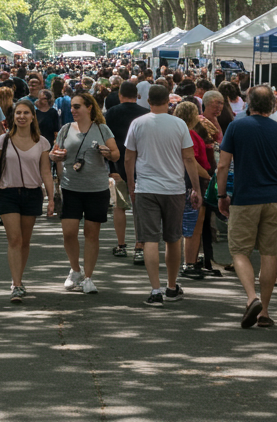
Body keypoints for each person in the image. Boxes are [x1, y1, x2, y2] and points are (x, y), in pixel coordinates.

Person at [215, 86, 277, 326]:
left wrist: (222, 195)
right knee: (270, 254)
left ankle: (252, 298)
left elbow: (222, 165)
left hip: (245, 198)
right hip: (274, 199)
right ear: (273, 105)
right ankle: (265, 312)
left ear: (249, 104)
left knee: (240, 251)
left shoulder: (236, 127)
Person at [125, 84, 203, 307]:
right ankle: (171, 286)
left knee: (149, 239)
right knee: (173, 238)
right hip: (174, 189)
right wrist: (195, 188)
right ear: (168, 101)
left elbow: (129, 158)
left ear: (148, 101)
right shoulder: (179, 124)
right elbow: (189, 159)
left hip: (146, 188)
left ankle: (155, 290)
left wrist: (132, 184)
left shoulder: (138, 123)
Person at [0, 100, 53, 302]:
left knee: (24, 240)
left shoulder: (42, 142)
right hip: (8, 193)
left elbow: (46, 172)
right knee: (14, 239)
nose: (21, 116)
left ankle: (19, 279)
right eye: (18, 113)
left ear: (33, 116)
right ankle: (16, 284)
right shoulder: (4, 139)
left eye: (25, 113)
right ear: (13, 117)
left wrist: (51, 198)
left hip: (32, 194)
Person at [51, 92, 118, 295]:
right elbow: (53, 153)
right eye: (72, 106)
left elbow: (116, 153)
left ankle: (88, 277)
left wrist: (107, 152)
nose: (73, 110)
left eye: (77, 106)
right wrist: (55, 156)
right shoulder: (65, 129)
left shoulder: (101, 128)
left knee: (92, 234)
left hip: (96, 188)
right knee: (69, 232)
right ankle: (75, 270)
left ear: (89, 108)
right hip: (71, 187)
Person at [103, 81, 148, 259]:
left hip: (117, 166)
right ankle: (139, 246)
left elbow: (105, 141)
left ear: (120, 95)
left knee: (119, 206)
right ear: (137, 95)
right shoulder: (146, 114)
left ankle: (121, 244)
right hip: (142, 168)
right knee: (140, 208)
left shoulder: (110, 114)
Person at [171, 101, 213, 279]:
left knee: (189, 224)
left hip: (181, 181)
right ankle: (189, 262)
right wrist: (209, 177)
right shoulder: (189, 134)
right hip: (192, 182)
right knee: (194, 224)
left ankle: (190, 261)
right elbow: (192, 161)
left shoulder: (176, 133)